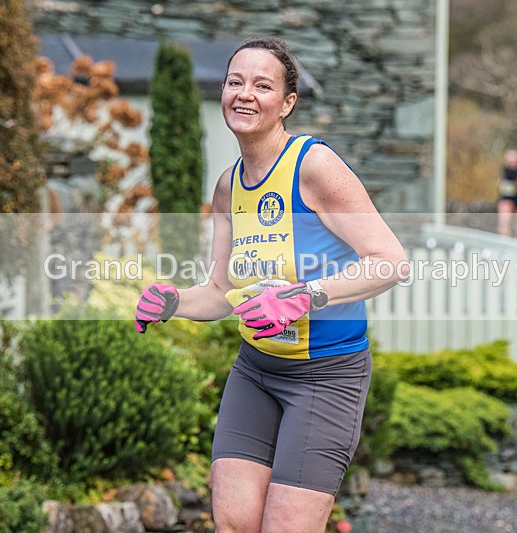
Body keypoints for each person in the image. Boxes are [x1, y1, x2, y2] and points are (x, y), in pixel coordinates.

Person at [135, 37, 408, 533]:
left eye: (263, 85)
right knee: (234, 525)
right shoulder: (228, 186)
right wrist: (172, 301)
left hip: (326, 377)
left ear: (286, 104)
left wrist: (304, 297)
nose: (245, 94)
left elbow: (390, 261)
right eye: (235, 82)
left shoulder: (314, 167)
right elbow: (219, 292)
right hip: (255, 373)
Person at [497, 149, 517, 237]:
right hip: (506, 198)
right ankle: (505, 239)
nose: (513, 164)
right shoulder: (504, 170)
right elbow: (499, 182)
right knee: (504, 221)